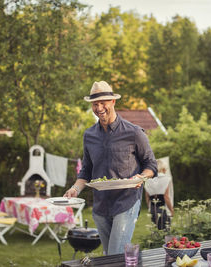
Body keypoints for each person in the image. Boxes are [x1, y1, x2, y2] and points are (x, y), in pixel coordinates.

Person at [63, 81, 157, 255]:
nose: (99, 108)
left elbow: (151, 165)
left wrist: (141, 178)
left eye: (103, 103)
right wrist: (75, 189)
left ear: (113, 102)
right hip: (101, 206)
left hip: (126, 202)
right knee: (109, 257)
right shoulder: (89, 135)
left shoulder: (134, 132)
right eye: (95, 104)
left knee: (115, 254)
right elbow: (86, 170)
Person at [144, 159, 174, 230]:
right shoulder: (166, 179)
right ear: (163, 169)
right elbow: (166, 196)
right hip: (163, 208)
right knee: (165, 230)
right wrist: (171, 210)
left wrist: (149, 208)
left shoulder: (148, 180)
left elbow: (147, 197)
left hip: (153, 207)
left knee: (156, 229)